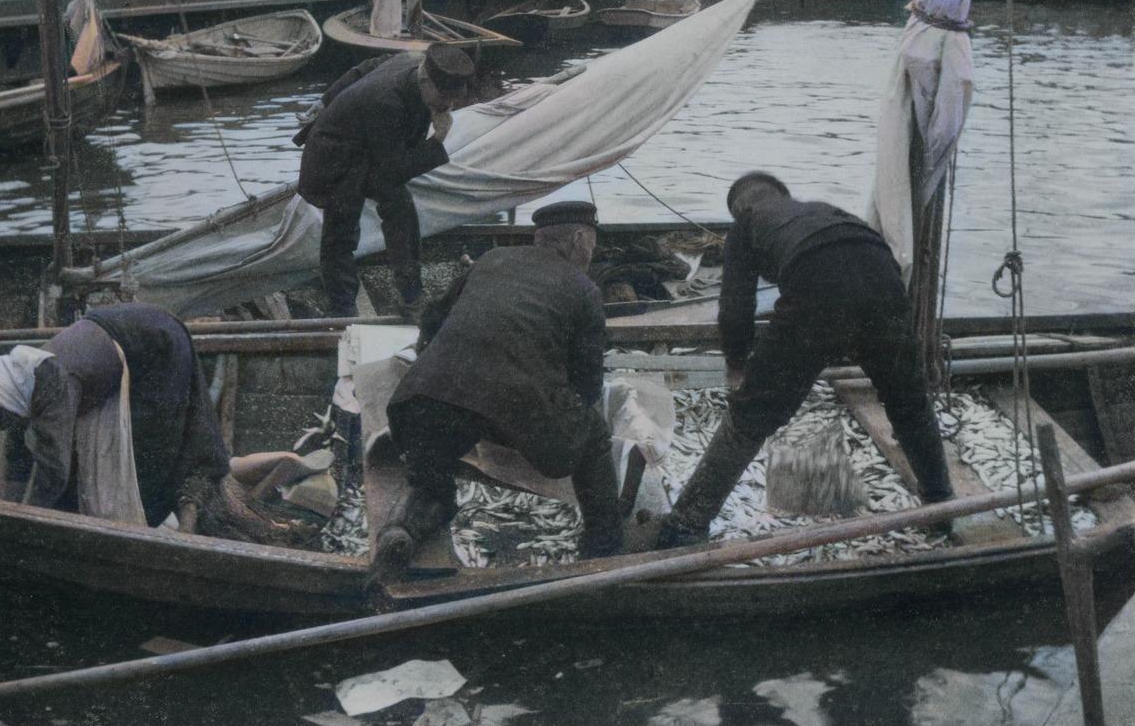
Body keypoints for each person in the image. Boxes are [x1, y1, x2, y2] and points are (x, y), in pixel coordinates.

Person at [656, 172, 953, 548]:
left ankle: (686, 523)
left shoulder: (745, 224)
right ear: (782, 194)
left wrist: (737, 366)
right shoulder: (823, 210)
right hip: (881, 273)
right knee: (908, 401)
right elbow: (862, 264)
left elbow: (735, 307)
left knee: (751, 415)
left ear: (739, 208)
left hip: (817, 281)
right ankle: (941, 506)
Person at [372, 201, 622, 581]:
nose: (592, 255)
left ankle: (402, 529)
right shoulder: (584, 289)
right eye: (592, 246)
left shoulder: (491, 259)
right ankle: (604, 546)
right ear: (578, 240)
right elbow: (587, 388)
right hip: (509, 404)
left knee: (431, 482)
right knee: (595, 433)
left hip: (420, 402)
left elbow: (432, 322)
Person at [0, 302, 229, 528]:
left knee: (145, 455)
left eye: (1, 418)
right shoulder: (23, 375)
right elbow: (21, 443)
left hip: (156, 345)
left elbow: (55, 470)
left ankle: (144, 525)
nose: (2, 427)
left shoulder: (53, 386)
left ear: (8, 403)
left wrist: (29, 516)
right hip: (124, 326)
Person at [296, 45, 476, 320]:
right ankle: (343, 310)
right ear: (426, 80)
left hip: (366, 146)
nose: (447, 107)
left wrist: (326, 98)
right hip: (333, 159)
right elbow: (392, 172)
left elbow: (366, 67)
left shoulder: (414, 59)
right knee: (342, 229)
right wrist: (437, 141)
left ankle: (411, 295)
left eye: (452, 101)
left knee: (400, 207)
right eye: (443, 100)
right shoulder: (386, 103)